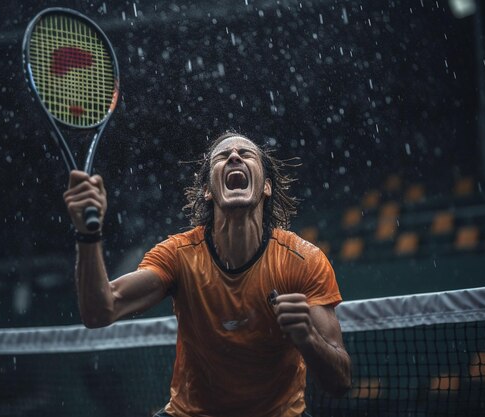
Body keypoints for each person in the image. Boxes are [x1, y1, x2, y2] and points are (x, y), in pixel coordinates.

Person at [63, 132, 351, 417]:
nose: (235, 156)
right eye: (223, 156)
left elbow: (339, 382)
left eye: (246, 154)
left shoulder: (304, 260)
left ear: (266, 187)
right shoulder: (179, 256)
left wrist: (307, 338)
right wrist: (88, 235)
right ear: (208, 191)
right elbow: (100, 311)